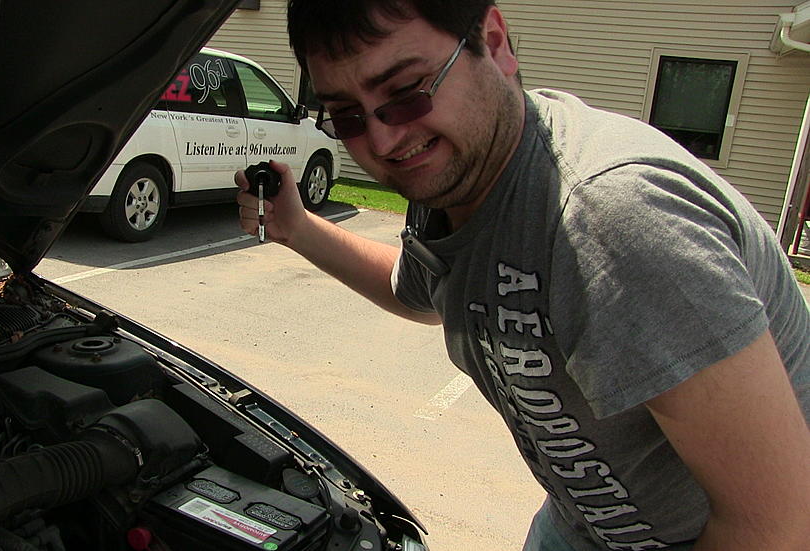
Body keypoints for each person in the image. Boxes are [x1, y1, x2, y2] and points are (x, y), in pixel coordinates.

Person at [234, 1, 810, 549]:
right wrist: (299, 228)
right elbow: (416, 293)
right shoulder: (457, 180)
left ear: (493, 42)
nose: (383, 140)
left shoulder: (614, 223)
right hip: (581, 525)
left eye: (406, 93)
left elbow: (774, 527)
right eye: (348, 115)